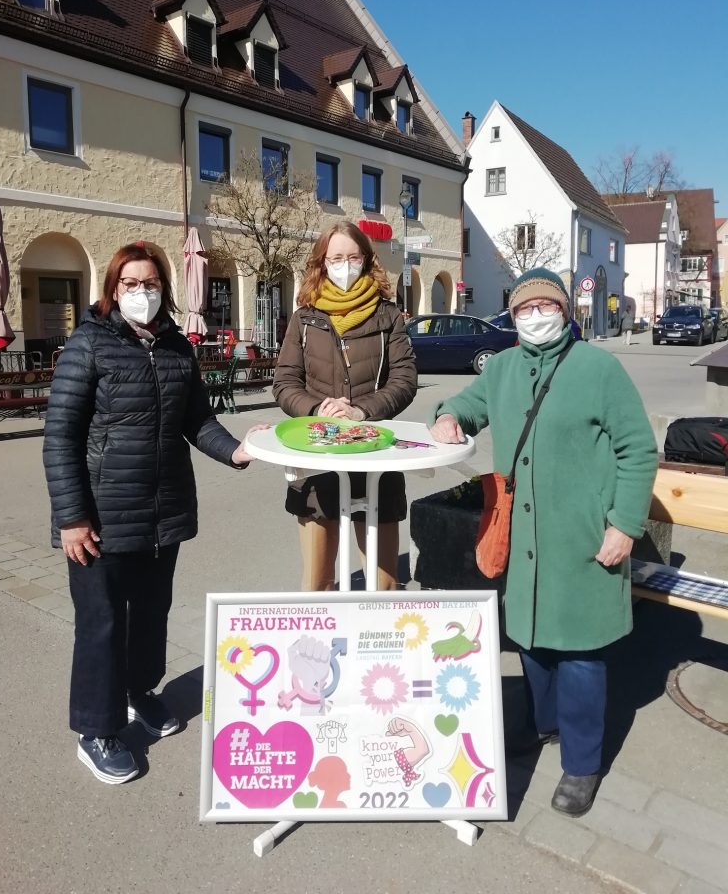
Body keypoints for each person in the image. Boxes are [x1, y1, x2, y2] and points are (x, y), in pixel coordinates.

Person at [429, 267, 657, 818]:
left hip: (583, 536)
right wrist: (447, 417)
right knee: (532, 641)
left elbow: (638, 448)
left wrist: (624, 525)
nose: (535, 317)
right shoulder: (503, 368)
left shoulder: (597, 368)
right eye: (525, 309)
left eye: (546, 306)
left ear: (565, 312)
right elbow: (467, 405)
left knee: (580, 652)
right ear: (512, 316)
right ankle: (541, 723)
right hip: (525, 540)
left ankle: (582, 764)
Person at [43, 242, 266, 785]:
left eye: (150, 283)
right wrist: (72, 517)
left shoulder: (176, 347)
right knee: (101, 623)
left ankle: (138, 691)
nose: (141, 293)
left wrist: (237, 451)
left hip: (162, 514)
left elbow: (198, 421)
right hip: (100, 518)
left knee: (150, 613)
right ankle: (95, 730)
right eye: (130, 284)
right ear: (113, 289)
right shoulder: (88, 343)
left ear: (164, 288)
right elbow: (60, 437)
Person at [272, 220, 417, 591]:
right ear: (322, 262)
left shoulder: (387, 315)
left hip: (376, 455)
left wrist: (361, 411)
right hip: (317, 456)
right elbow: (285, 382)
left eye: (353, 257)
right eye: (336, 258)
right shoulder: (305, 318)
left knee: (383, 586)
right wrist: (317, 409)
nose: (345, 265)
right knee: (317, 582)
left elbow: (404, 381)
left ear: (366, 260)